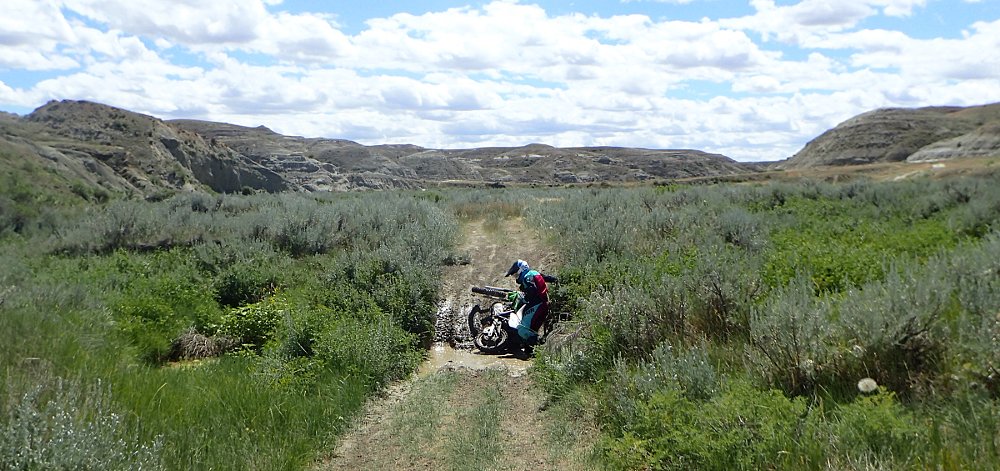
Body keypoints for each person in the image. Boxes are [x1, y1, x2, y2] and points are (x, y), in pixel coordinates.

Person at [504, 259, 549, 354]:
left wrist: (523, 298)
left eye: (516, 274)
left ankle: (537, 350)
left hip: (537, 304)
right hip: (544, 304)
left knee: (523, 329)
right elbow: (547, 278)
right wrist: (557, 280)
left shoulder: (527, 277)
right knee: (533, 329)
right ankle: (532, 352)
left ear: (521, 270)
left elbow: (531, 291)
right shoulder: (534, 273)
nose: (516, 277)